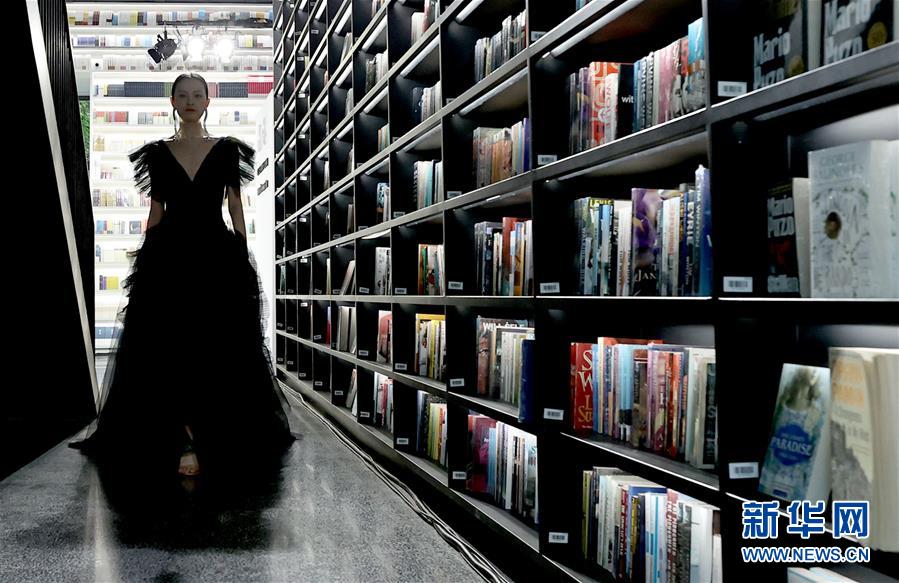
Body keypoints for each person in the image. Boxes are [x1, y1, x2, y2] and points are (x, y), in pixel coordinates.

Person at [71, 73, 295, 482]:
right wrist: (145, 258)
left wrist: (241, 251)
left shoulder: (226, 150)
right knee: (168, 345)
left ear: (208, 102)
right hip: (169, 257)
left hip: (215, 255)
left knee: (213, 344)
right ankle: (184, 437)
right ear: (173, 101)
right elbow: (156, 212)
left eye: (197, 95)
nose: (190, 101)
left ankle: (208, 434)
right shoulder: (158, 154)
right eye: (183, 95)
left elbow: (235, 205)